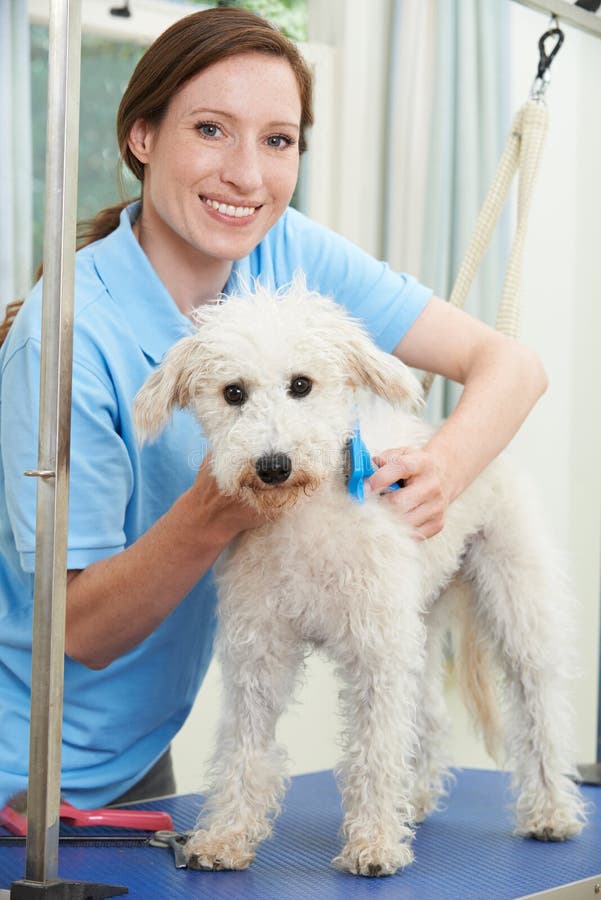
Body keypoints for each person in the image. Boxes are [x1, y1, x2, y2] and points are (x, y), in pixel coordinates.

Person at [0, 7, 547, 810]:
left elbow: (511, 366)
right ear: (141, 137)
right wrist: (218, 510)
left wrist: (443, 469)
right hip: (25, 772)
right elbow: (78, 633)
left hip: (141, 763)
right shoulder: (67, 341)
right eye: (212, 130)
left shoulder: (281, 246)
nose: (247, 177)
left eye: (278, 140)